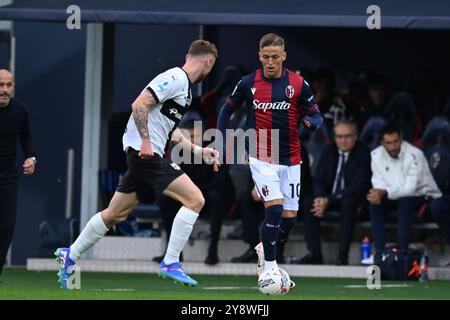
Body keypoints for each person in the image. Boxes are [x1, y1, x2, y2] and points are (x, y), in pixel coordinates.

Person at [55, 40, 219, 288]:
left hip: (143, 155)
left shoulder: (184, 91)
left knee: (115, 214)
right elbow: (139, 103)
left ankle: (70, 255)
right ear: (209, 62)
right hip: (146, 154)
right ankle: (171, 262)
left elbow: (170, 131)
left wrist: (199, 150)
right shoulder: (174, 77)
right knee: (195, 199)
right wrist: (145, 141)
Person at [217, 33, 323, 276]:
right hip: (260, 153)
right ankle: (270, 268)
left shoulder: (298, 84)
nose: (271, 62)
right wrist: (220, 143)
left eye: (275, 57)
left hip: (291, 156)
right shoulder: (247, 83)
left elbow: (316, 114)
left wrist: (311, 122)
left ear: (284, 56)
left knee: (289, 219)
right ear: (260, 57)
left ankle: (265, 247)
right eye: (266, 57)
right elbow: (226, 110)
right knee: (274, 209)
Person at [367, 123, 444, 265]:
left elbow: (410, 189)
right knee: (374, 204)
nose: (393, 147)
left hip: (423, 196)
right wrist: (377, 194)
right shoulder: (375, 155)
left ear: (401, 138)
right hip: (393, 195)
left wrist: (384, 192)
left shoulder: (415, 154)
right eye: (388, 143)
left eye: (396, 141)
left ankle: (402, 254)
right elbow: (378, 183)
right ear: (382, 142)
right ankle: (380, 253)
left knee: (405, 202)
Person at [300, 120, 371, 265]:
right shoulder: (329, 150)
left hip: (352, 199)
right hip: (328, 199)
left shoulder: (364, 153)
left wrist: (328, 200)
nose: (343, 140)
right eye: (339, 136)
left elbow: (359, 186)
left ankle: (343, 256)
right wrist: (320, 198)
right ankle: (315, 254)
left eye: (347, 136)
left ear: (355, 136)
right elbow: (318, 178)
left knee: (348, 203)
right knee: (309, 202)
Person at [0, 69, 37, 276]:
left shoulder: (20, 111)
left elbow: (26, 138)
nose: (4, 90)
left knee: (6, 227)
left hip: (7, 176)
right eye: (0, 85)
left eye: (8, 85)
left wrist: (31, 157)